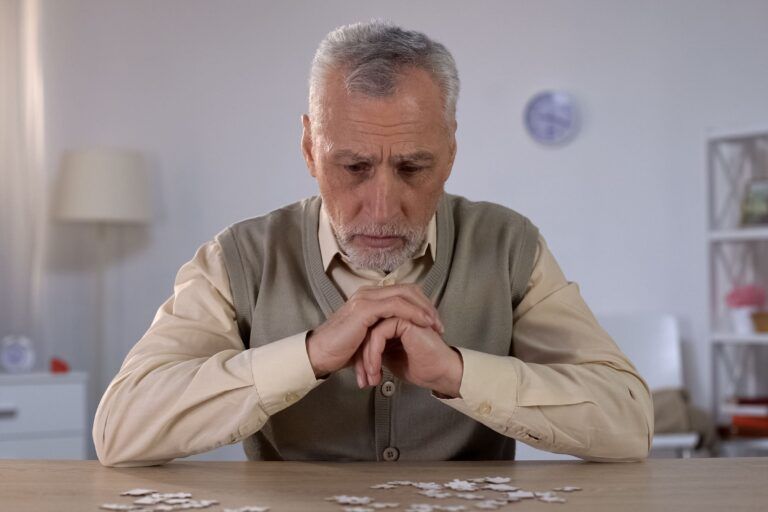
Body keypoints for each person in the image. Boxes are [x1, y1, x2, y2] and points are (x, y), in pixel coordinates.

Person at [94, 20, 653, 467]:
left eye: (413, 166)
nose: (382, 208)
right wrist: (310, 354)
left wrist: (457, 373)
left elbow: (629, 421)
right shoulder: (238, 258)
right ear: (311, 149)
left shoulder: (508, 246)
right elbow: (120, 428)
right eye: (354, 166)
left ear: (451, 150)